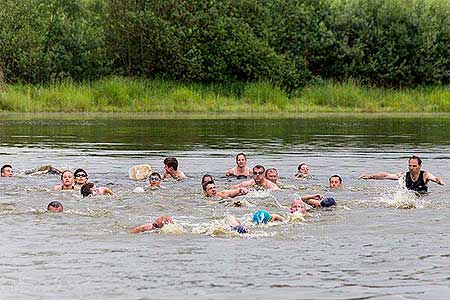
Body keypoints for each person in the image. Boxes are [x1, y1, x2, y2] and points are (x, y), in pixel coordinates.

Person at [358, 155, 444, 193]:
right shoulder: (404, 175)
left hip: (423, 199)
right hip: (408, 197)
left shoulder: (425, 175)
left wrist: (439, 181)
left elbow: (435, 178)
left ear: (420, 166)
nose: (411, 168)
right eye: (410, 166)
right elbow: (386, 175)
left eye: (414, 166)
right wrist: (370, 176)